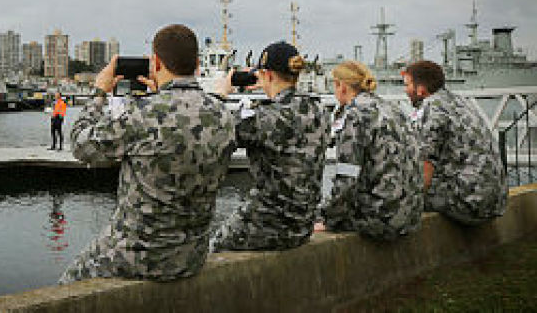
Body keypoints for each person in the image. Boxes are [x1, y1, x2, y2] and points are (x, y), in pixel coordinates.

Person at [59, 24, 235, 283]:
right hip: (191, 257)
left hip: (139, 256)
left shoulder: (141, 112)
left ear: (156, 63)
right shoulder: (223, 114)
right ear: (197, 65)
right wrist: (159, 94)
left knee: (69, 283)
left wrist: (99, 93)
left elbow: (81, 146)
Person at [211, 41, 328, 251]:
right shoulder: (318, 109)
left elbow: (212, 133)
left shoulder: (268, 117)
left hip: (270, 223)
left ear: (269, 75)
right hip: (303, 223)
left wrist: (220, 95)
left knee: (217, 245)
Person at [318, 61, 423, 240]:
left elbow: (347, 179)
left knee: (309, 217)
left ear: (341, 86)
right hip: (411, 215)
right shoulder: (392, 108)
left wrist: (328, 219)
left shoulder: (354, 115)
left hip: (383, 218)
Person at [403, 60, 507, 225]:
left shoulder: (431, 108)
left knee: (393, 197)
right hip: (495, 201)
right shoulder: (460, 101)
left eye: (407, 85)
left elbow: (424, 166)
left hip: (469, 203)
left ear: (421, 89)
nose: (405, 90)